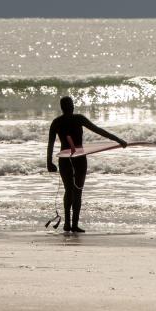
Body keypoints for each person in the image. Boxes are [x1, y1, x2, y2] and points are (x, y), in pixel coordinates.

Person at [46, 96, 127, 233]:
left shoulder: (57, 122)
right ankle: (74, 225)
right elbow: (99, 130)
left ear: (62, 107)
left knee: (68, 190)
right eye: (71, 104)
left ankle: (68, 224)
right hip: (79, 158)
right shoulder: (78, 118)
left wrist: (49, 162)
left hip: (65, 159)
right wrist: (117, 140)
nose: (72, 106)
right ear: (71, 106)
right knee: (77, 191)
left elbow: (51, 144)